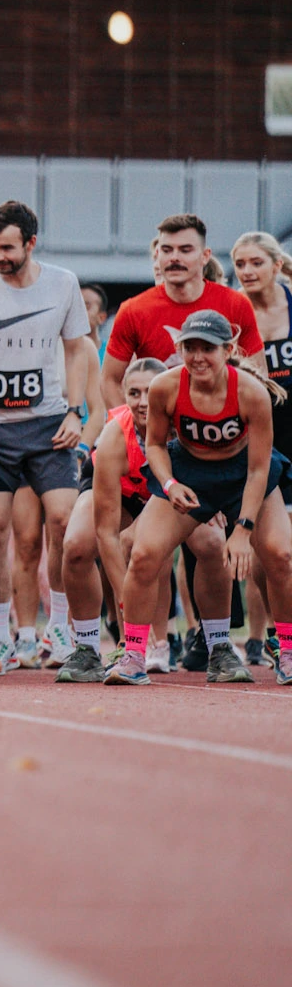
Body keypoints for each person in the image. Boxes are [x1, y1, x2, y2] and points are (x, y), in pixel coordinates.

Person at [0, 201, 97, 672]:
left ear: (31, 242)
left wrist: (75, 411)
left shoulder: (63, 283)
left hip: (48, 422)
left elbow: (77, 349)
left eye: (8, 247)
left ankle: (58, 624)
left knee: (63, 520)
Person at [108, 310, 291, 685]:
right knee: (143, 554)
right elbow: (155, 444)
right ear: (179, 350)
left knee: (281, 555)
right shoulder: (166, 386)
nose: (198, 357)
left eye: (207, 348)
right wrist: (170, 484)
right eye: (189, 347)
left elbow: (259, 470)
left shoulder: (251, 393)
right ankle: (134, 656)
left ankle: (287, 650)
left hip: (244, 475)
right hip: (190, 474)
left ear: (228, 349)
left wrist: (243, 530)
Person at [56, 357, 234, 682]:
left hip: (170, 493)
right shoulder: (114, 436)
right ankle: (86, 648)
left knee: (211, 542)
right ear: (122, 395)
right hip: (121, 494)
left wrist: (218, 500)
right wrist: (129, 609)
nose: (141, 402)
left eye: (148, 392)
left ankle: (219, 646)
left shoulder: (185, 426)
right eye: (133, 393)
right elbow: (107, 534)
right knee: (76, 544)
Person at [102, 214, 260, 410]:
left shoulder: (235, 303)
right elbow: (110, 380)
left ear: (205, 256)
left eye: (185, 250)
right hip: (160, 428)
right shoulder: (133, 310)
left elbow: (258, 376)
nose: (174, 257)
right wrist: (134, 431)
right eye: (167, 250)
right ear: (158, 255)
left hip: (223, 427)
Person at [230, 231, 292, 665]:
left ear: (275, 265)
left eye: (256, 263)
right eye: (241, 265)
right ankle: (265, 634)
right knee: (266, 546)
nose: (248, 272)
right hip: (260, 436)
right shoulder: (232, 312)